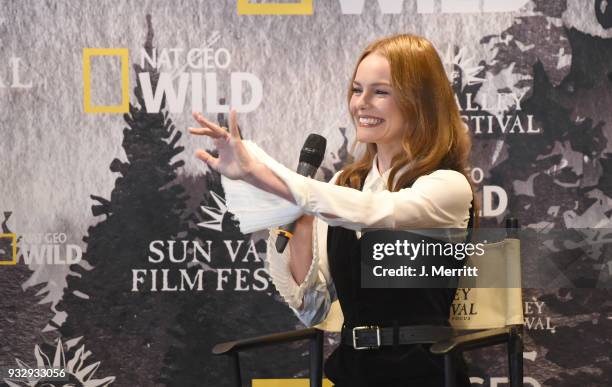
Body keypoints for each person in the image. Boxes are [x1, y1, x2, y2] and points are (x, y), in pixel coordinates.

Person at [189, 34, 475, 387]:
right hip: (352, 372)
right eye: (357, 90)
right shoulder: (342, 184)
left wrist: (266, 175)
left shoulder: (448, 186)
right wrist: (300, 219)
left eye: (380, 92)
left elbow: (377, 212)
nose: (361, 103)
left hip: (425, 374)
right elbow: (312, 308)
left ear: (420, 102)